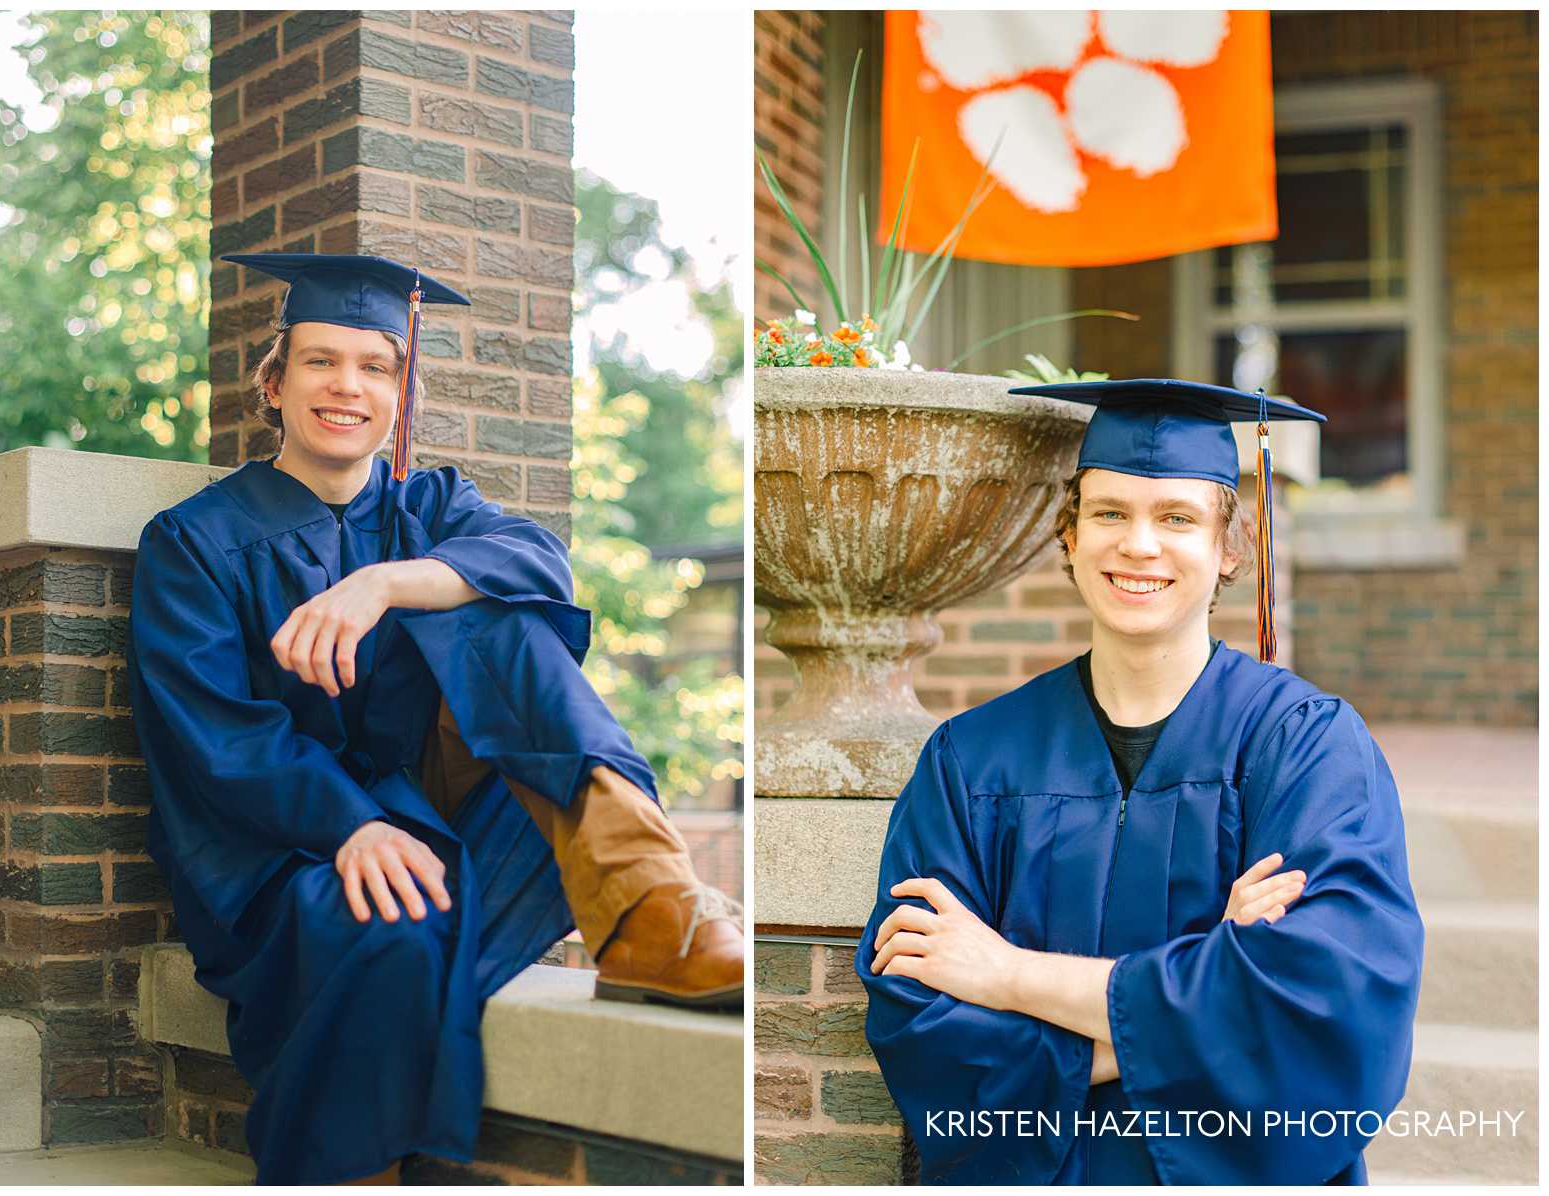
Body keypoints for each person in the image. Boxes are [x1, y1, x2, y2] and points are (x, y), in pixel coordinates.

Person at [127, 253, 743, 1186]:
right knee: (393, 931)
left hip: (433, 812)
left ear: (399, 391)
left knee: (499, 612)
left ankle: (652, 896)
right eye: (321, 362)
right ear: (274, 382)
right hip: (278, 853)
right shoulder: (195, 541)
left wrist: (382, 583)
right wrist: (353, 824)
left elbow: (542, 565)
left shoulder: (433, 508)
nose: (349, 386)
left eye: (376, 366)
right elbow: (220, 739)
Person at [856, 379, 1423, 1185]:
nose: (1139, 546)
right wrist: (1211, 982)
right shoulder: (970, 761)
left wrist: (1010, 977)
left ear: (1231, 546)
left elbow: (1326, 1007)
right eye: (1111, 513)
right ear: (1070, 535)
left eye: (1178, 519)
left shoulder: (1307, 749)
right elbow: (921, 1020)